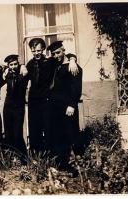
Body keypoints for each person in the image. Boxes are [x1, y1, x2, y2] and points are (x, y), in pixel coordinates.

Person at [25, 38, 80, 154]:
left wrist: (72, 59)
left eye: (39, 50)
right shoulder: (29, 64)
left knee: (49, 129)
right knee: (34, 129)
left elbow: (64, 56)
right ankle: (37, 157)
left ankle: (52, 157)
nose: (36, 53)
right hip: (33, 102)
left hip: (46, 101)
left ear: (43, 50)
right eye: (34, 51)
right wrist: (20, 66)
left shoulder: (50, 62)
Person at [47, 41, 83, 170]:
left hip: (68, 106)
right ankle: (61, 164)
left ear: (63, 51)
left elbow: (77, 88)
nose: (56, 55)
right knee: (57, 134)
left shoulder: (72, 67)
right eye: (53, 54)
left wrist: (72, 105)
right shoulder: (54, 65)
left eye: (58, 53)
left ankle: (75, 165)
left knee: (71, 134)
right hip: (55, 107)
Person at [2, 54, 29, 157]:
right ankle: (10, 157)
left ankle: (23, 158)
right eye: (11, 65)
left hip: (19, 107)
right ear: (8, 65)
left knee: (17, 133)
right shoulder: (7, 74)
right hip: (8, 107)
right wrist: (4, 69)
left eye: (15, 64)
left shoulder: (23, 73)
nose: (13, 66)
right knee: (8, 133)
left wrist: (22, 65)